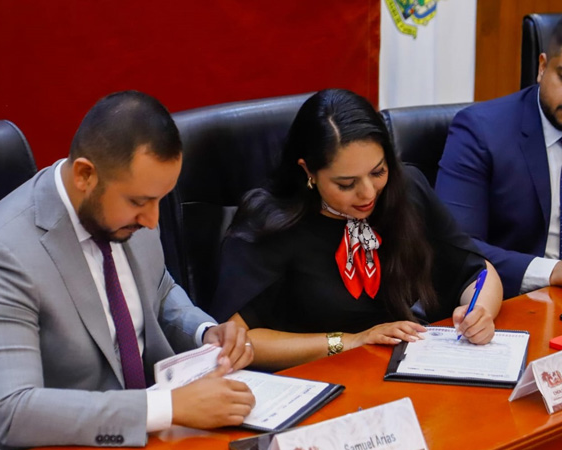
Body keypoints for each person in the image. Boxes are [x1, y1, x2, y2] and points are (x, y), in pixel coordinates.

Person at [0, 91, 255, 449]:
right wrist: (168, 407)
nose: (152, 220)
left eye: (160, 199)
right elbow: (13, 411)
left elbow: (158, 289)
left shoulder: (131, 209)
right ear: (85, 175)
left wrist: (204, 334)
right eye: (139, 202)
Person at [209, 88, 503, 372]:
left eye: (378, 172)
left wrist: (480, 312)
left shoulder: (406, 188)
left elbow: (477, 270)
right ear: (308, 171)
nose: (368, 194)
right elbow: (237, 340)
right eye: (346, 184)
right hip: (318, 378)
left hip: (405, 368)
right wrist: (349, 342)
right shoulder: (270, 221)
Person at [435, 19, 562, 300]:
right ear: (542, 67)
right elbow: (456, 246)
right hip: (511, 301)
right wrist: (551, 271)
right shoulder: (480, 131)